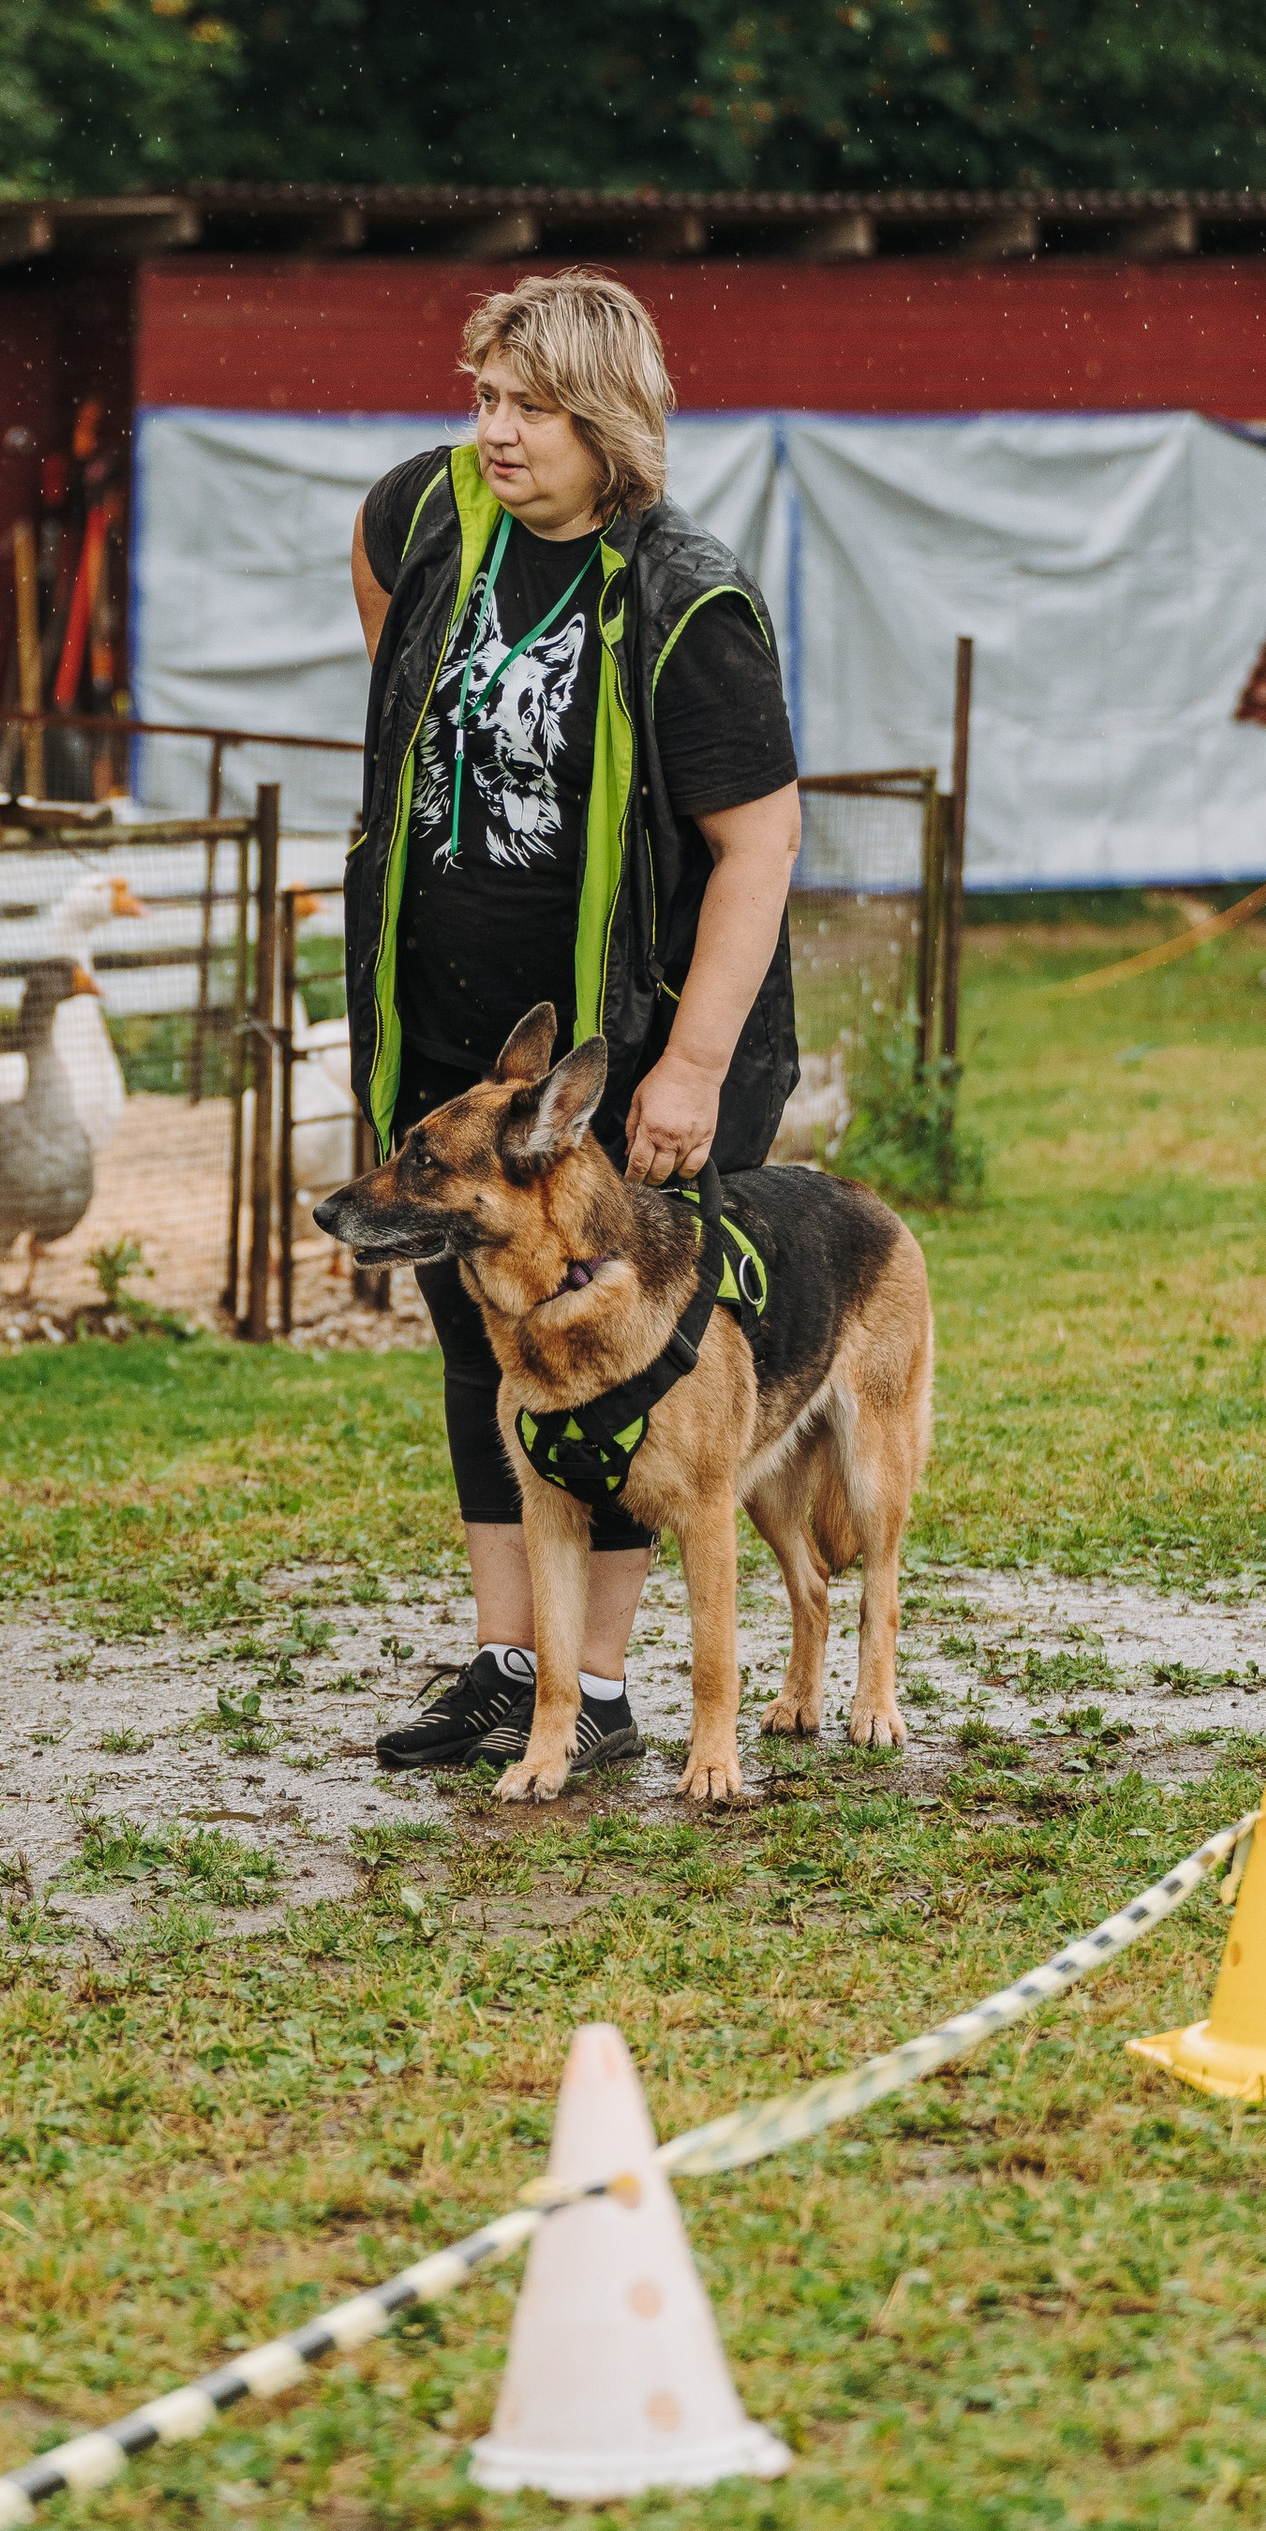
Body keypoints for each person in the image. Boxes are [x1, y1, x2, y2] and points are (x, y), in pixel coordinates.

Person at [345, 272, 803, 1776]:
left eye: (530, 406)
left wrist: (690, 1068)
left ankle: (595, 1685)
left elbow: (763, 841)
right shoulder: (434, 521)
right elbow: (377, 582)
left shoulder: (687, 596)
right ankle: (506, 1659)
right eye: (484, 397)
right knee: (487, 1331)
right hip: (455, 1034)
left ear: (608, 420)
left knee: (617, 1345)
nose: (494, 432)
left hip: (624, 1050)